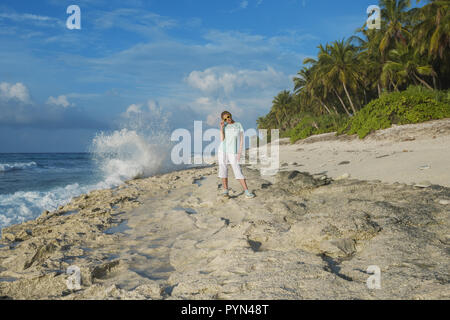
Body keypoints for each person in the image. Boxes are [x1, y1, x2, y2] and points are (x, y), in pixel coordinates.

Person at [218, 111, 255, 199]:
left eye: (228, 117)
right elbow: (222, 139)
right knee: (223, 170)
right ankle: (225, 191)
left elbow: (242, 139)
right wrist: (221, 128)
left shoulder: (238, 125)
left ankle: (246, 191)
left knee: (238, 170)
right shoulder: (225, 126)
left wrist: (240, 152)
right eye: (225, 119)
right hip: (222, 150)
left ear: (231, 115)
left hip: (233, 152)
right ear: (223, 119)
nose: (227, 119)